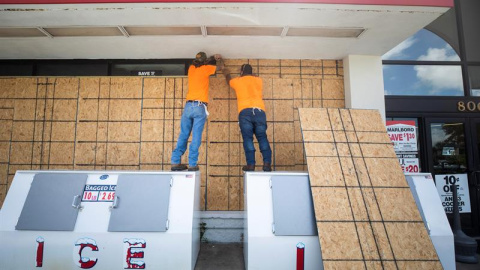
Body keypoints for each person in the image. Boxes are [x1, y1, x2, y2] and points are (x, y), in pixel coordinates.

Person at [171, 52, 223, 171]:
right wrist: (218, 59)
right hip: (199, 107)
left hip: (188, 106)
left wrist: (210, 59)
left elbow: (201, 63)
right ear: (205, 61)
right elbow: (221, 68)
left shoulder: (191, 68)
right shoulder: (206, 69)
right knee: (196, 136)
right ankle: (192, 164)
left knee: (183, 134)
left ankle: (175, 161)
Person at [223, 64, 272, 172]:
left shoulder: (237, 81)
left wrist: (226, 72)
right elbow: (254, 77)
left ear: (241, 72)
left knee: (248, 138)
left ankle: (251, 165)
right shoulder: (258, 80)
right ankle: (267, 164)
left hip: (245, 112)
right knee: (262, 137)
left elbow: (228, 80)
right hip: (259, 111)